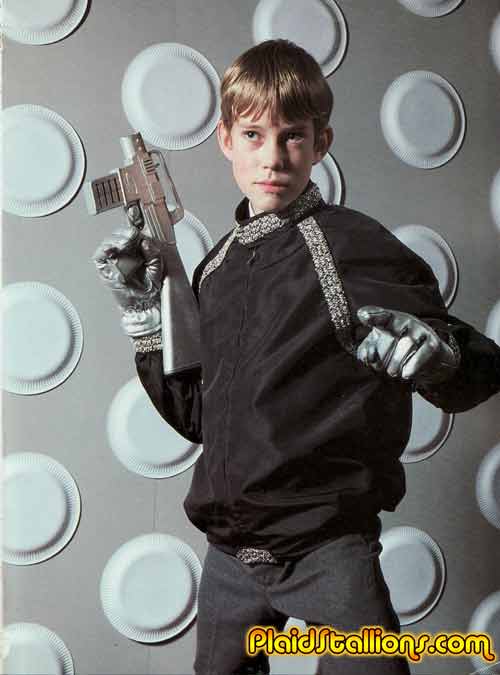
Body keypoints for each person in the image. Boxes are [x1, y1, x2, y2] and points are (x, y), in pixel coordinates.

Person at [93, 39, 500, 675]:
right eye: (254, 136)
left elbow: (477, 367)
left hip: (327, 550)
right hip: (230, 556)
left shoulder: (353, 246)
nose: (273, 157)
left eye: (293, 137)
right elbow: (199, 417)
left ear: (320, 143)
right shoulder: (216, 268)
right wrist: (145, 316)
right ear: (226, 140)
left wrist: (437, 356)